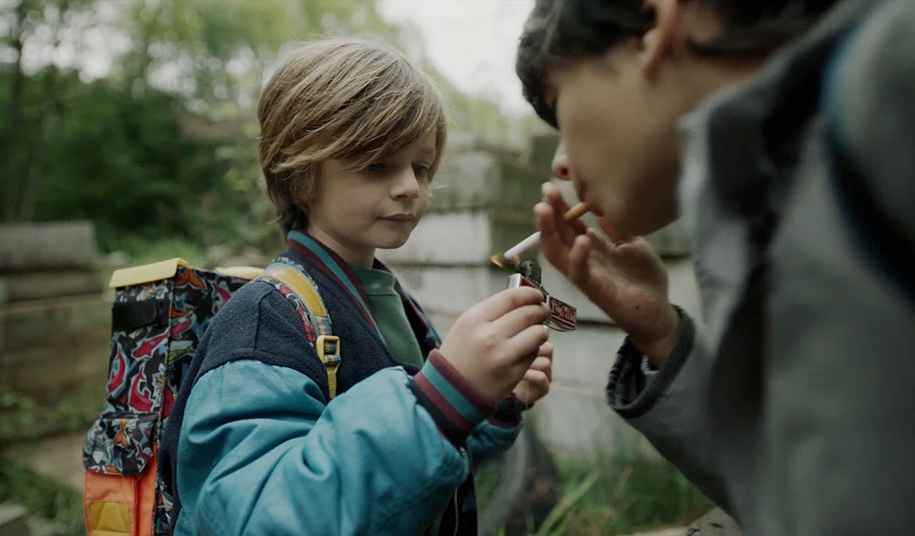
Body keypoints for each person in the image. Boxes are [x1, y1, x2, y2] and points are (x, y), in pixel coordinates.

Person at [517, 0, 915, 533]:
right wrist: (661, 333)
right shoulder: (779, 183)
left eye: (556, 103)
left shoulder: (890, 76)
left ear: (650, 26)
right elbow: (816, 483)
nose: (560, 162)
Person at [161, 39, 554, 535]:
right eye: (376, 165)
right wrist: (444, 395)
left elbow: (423, 463)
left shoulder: (389, 299)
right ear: (302, 174)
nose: (409, 186)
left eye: (421, 167)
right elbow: (260, 517)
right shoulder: (264, 324)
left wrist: (487, 401)